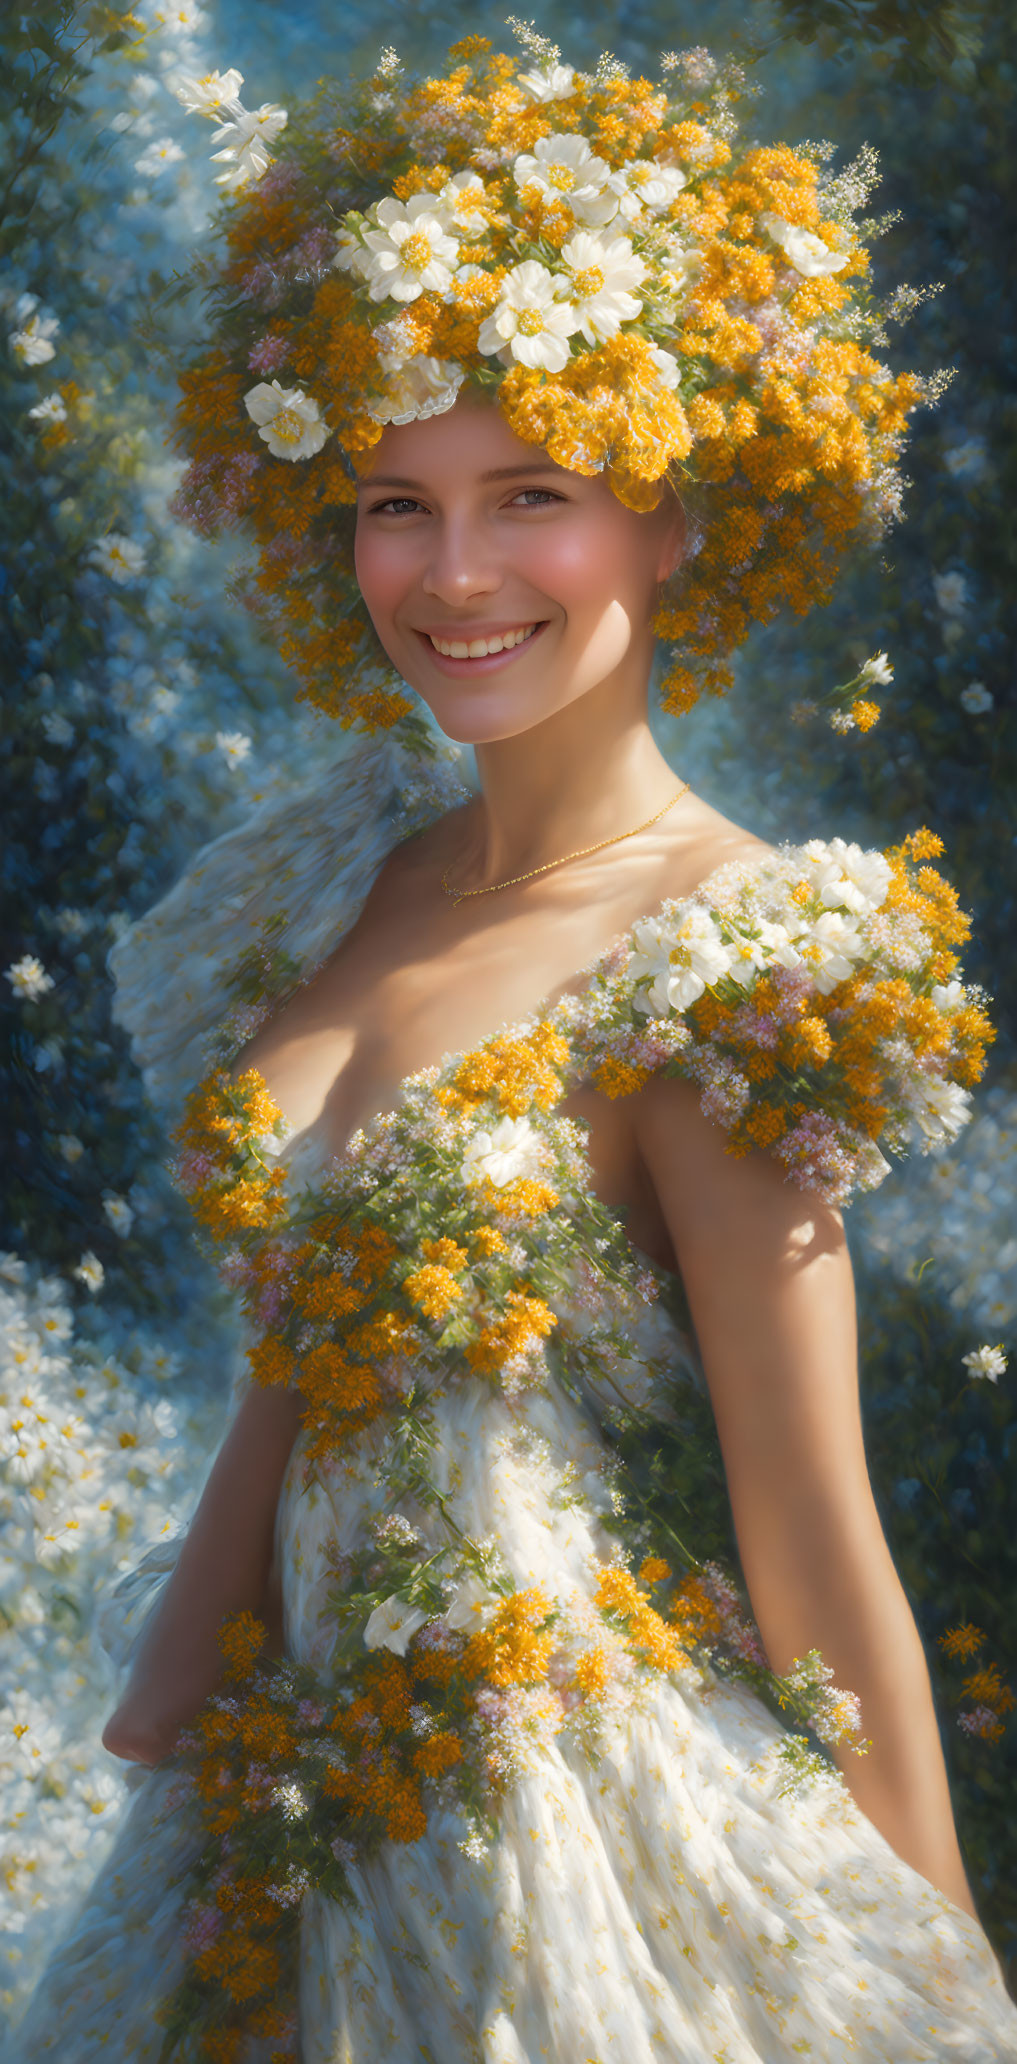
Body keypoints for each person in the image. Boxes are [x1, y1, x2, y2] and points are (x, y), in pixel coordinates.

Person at [8, 30, 1017, 2064]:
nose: (451, 577)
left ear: (673, 518)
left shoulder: (735, 959)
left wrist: (944, 1985)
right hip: (273, 1806)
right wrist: (182, 1661)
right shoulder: (321, 880)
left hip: (555, 1834)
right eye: (398, 503)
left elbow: (812, 1533)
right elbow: (315, 1339)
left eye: (530, 499)